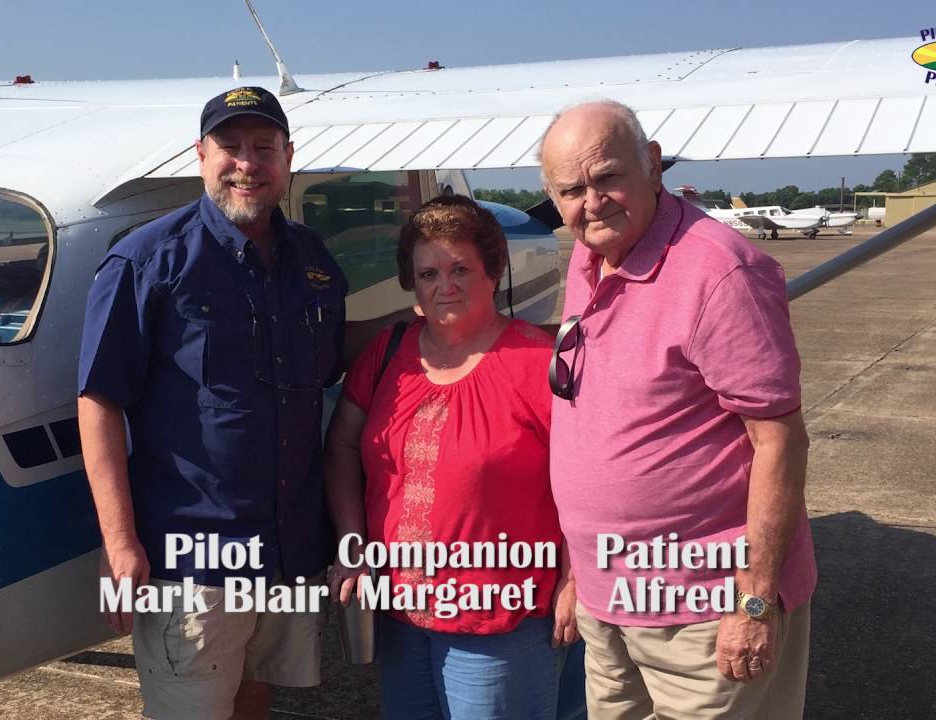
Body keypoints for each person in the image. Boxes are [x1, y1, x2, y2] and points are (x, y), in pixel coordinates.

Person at [538, 100, 816, 719]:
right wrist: (584, 568)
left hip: (703, 608)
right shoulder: (587, 258)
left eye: (608, 176)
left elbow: (780, 441)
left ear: (653, 164)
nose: (594, 200)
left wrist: (755, 603)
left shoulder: (721, 272)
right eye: (571, 189)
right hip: (609, 599)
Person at [77, 86, 348, 720]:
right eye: (229, 146)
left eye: (264, 148)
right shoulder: (146, 261)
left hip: (286, 547)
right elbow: (99, 403)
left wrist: (435, 328)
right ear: (200, 155)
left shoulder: (313, 261)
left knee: (255, 697)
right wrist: (120, 542)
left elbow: (337, 362)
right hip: (193, 553)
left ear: (288, 158)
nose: (247, 163)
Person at [325, 195, 576, 720]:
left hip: (499, 623)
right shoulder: (388, 351)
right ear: (411, 283)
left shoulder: (537, 365)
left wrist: (575, 578)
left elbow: (586, 479)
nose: (445, 285)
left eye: (461, 268)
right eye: (428, 273)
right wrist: (352, 541)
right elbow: (344, 445)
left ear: (493, 272)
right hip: (400, 617)